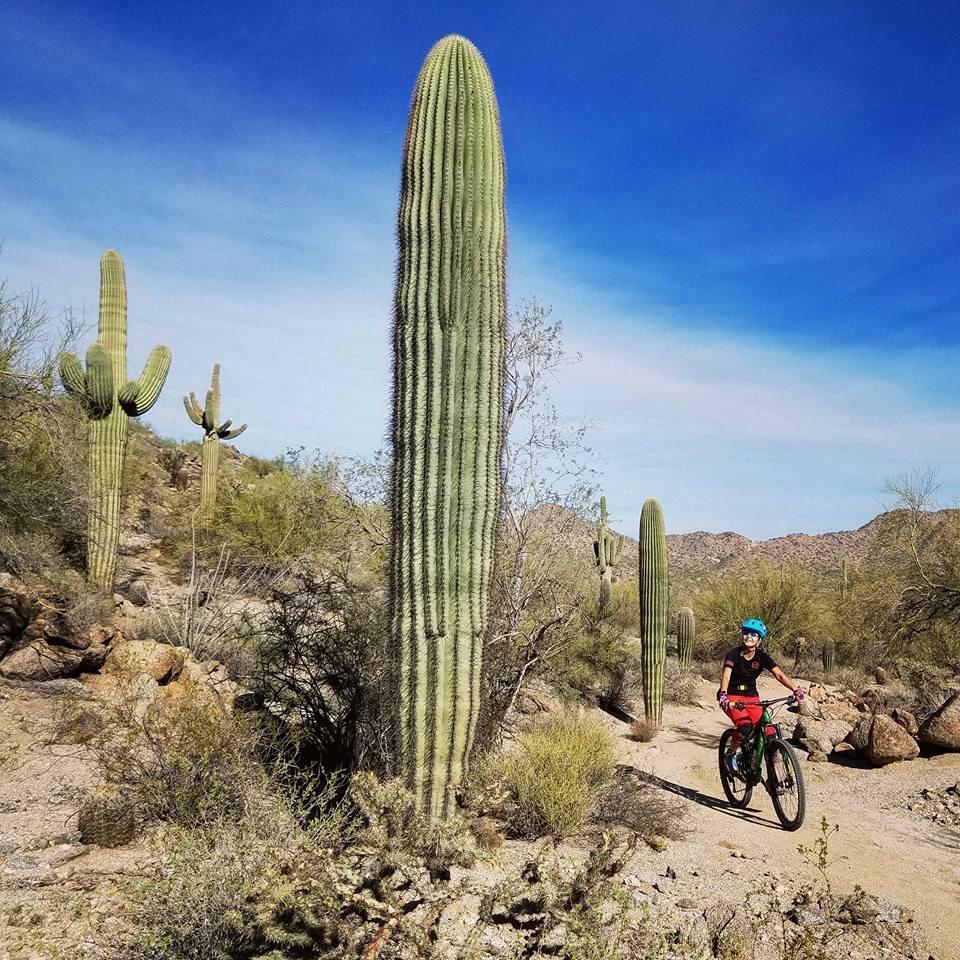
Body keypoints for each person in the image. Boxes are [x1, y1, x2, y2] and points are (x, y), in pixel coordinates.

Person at [717, 618, 804, 775]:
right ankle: (730, 754)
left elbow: (779, 675)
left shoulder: (762, 657)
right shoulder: (733, 655)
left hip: (752, 698)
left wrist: (795, 689)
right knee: (745, 727)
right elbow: (726, 676)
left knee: (769, 731)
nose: (749, 637)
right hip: (731, 697)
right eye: (746, 633)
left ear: (759, 639)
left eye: (754, 634)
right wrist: (723, 694)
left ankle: (774, 770)